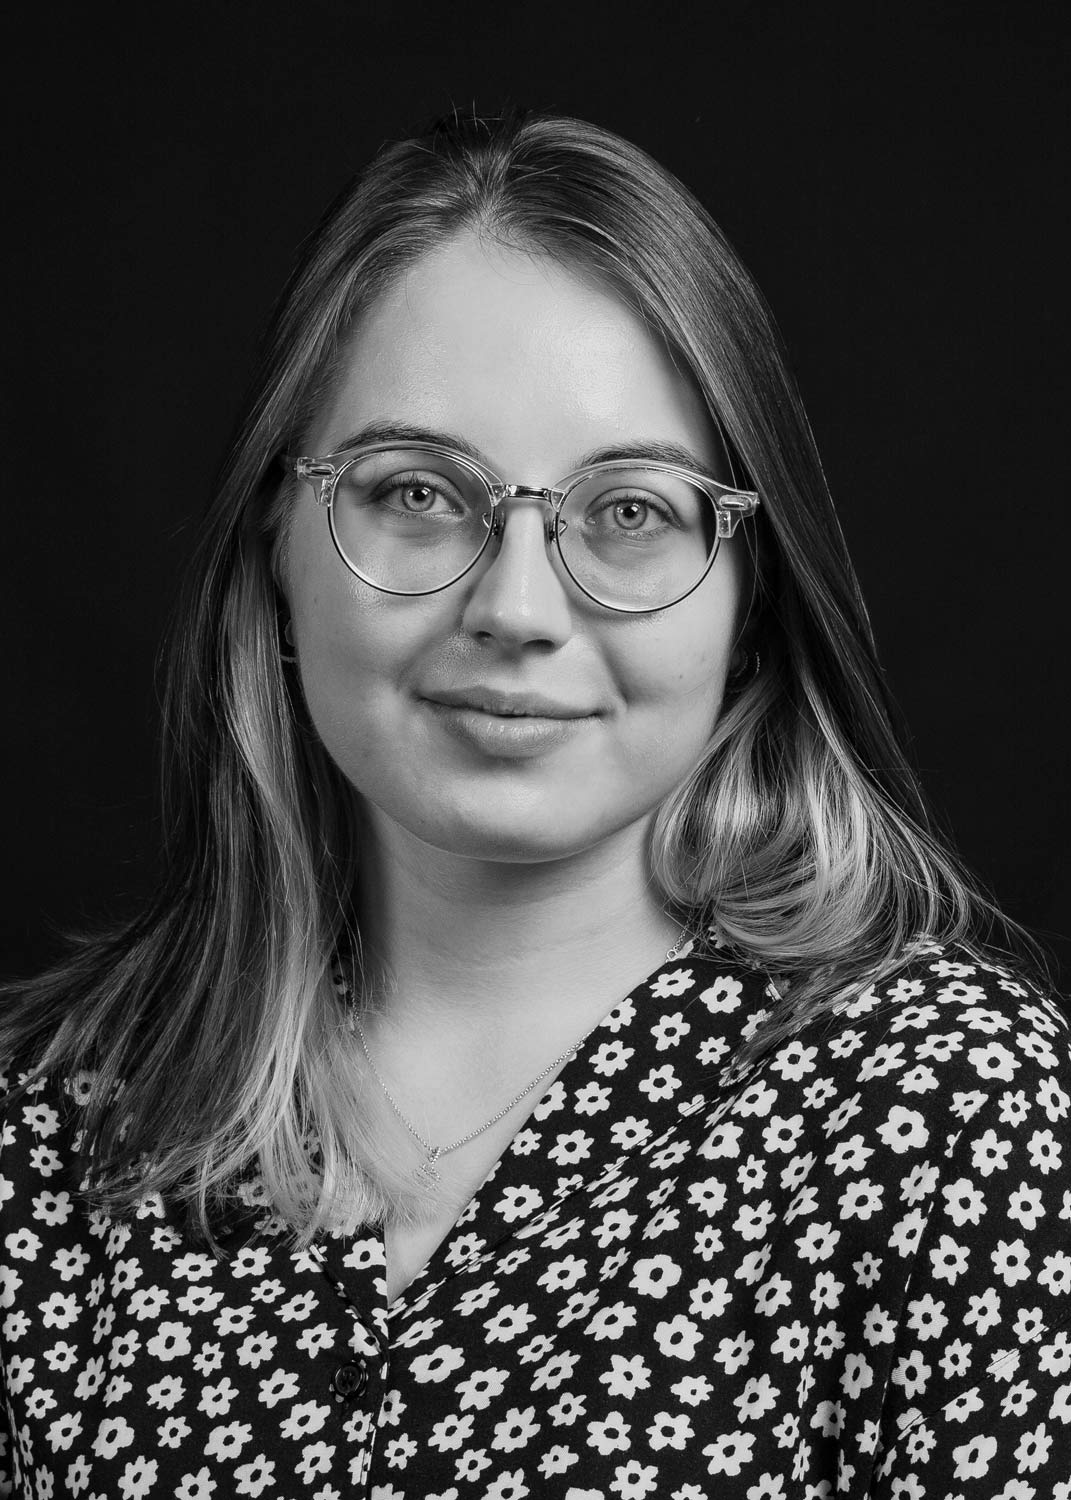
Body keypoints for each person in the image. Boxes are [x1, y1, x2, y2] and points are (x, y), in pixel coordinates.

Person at [1, 108, 1068, 1500]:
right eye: (416, 491)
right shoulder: (51, 1136)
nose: (515, 607)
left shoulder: (949, 1114)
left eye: (629, 512)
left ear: (751, 598)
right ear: (276, 546)